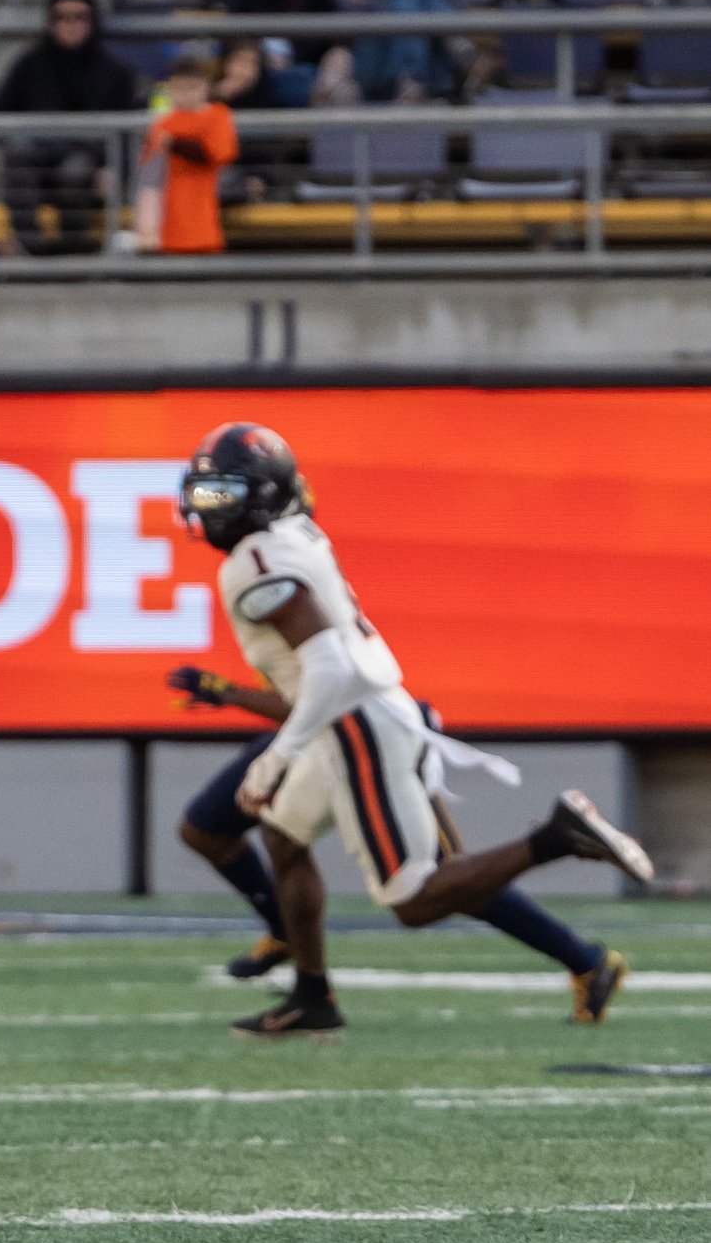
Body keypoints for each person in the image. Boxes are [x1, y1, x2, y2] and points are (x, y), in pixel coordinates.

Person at [176, 422, 654, 1039]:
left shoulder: (256, 562)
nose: (206, 510)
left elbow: (328, 666)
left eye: (222, 496)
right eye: (203, 495)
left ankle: (558, 837)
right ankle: (313, 995)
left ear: (261, 497)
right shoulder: (291, 530)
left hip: (354, 723)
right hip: (355, 715)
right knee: (284, 835)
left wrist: (274, 759)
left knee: (414, 898)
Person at [168, 672, 632, 1019]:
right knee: (208, 829)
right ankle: (289, 937)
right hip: (309, 742)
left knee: (440, 882)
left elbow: (327, 702)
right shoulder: (270, 581)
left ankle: (586, 960)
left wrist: (227, 693)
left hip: (374, 744)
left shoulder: (286, 584)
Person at [0, 0, 140, 256]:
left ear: (93, 20)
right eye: (61, 17)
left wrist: (115, 169)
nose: (70, 24)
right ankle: (29, 250)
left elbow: (131, 133)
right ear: (50, 21)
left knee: (76, 169)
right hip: (37, 167)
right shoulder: (29, 66)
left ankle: (72, 252)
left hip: (88, 173)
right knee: (19, 156)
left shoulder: (115, 73)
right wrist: (19, 139)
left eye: (79, 16)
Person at [135, 54, 237, 255]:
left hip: (203, 209)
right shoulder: (162, 122)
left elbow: (216, 154)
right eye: (180, 88)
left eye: (193, 87)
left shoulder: (218, 115)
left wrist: (175, 143)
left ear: (206, 86)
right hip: (167, 217)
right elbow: (147, 169)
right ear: (169, 88)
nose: (186, 94)